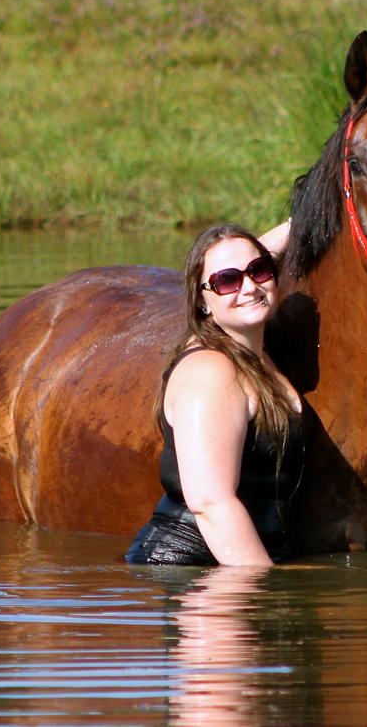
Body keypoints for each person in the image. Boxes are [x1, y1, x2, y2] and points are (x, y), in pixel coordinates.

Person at [126, 221, 302, 567]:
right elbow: (211, 504)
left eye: (258, 270)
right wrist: (268, 589)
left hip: (228, 564)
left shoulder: (251, 353)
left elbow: (242, 259)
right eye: (228, 280)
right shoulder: (211, 372)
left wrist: (329, 202)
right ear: (203, 300)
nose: (249, 286)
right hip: (195, 572)